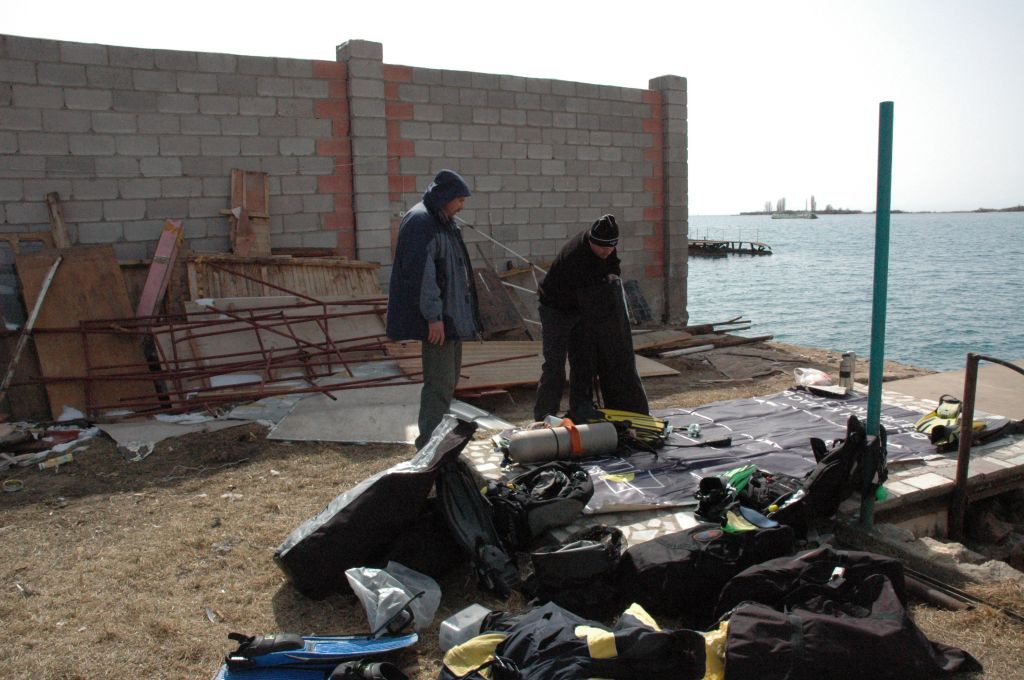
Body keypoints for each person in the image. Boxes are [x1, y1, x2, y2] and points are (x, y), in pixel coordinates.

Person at [386, 169, 481, 449]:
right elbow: (422, 276)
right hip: (439, 319)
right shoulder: (421, 222)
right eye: (459, 200)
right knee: (439, 383)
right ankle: (429, 445)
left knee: (448, 381)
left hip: (450, 317)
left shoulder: (444, 221)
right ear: (446, 197)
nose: (462, 205)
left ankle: (440, 440)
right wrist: (433, 316)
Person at [533, 214, 622, 422]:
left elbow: (612, 264)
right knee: (555, 364)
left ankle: (581, 407)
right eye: (602, 248)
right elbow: (590, 293)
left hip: (581, 308)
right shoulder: (575, 257)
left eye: (610, 247)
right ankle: (545, 413)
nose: (606, 252)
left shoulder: (606, 246)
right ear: (591, 240)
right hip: (556, 308)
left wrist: (613, 273)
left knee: (584, 359)